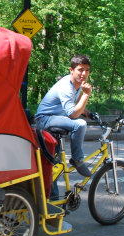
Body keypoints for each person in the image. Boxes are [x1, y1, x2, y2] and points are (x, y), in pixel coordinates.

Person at [35, 54, 93, 183]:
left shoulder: (77, 84)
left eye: (87, 70)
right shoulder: (66, 86)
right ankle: (77, 159)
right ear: (71, 70)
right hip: (45, 119)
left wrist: (86, 112)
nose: (84, 73)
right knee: (80, 124)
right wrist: (86, 95)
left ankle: (53, 200)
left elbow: (75, 105)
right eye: (80, 69)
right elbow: (72, 114)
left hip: (56, 119)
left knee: (55, 166)